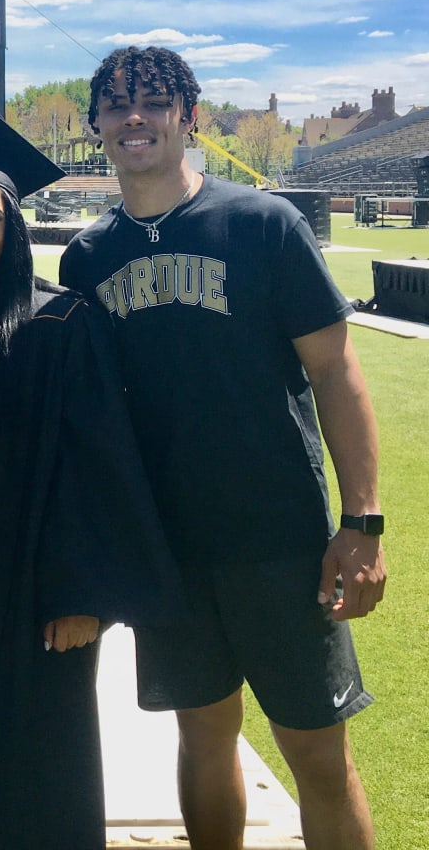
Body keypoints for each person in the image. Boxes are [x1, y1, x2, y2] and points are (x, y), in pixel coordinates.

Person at [59, 46, 386, 850]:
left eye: (156, 102)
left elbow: (338, 371)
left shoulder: (262, 224)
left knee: (316, 748)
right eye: (118, 103)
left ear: (187, 117)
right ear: (98, 123)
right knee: (203, 740)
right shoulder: (88, 257)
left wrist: (364, 522)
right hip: (167, 548)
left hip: (278, 539)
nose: (135, 116)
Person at [0, 112, 179, 849]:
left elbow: (98, 468)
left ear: (12, 231)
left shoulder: (59, 324)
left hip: (24, 590)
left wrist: (82, 597)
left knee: (32, 771)